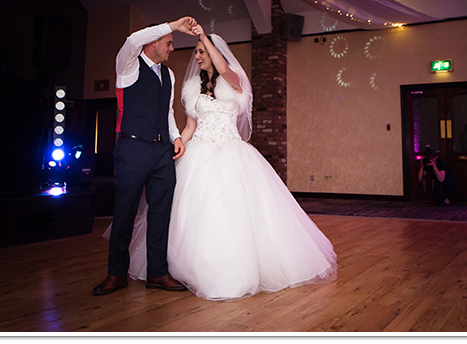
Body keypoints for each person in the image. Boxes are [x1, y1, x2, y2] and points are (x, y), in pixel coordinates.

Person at [121, 24, 337, 301]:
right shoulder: (189, 86)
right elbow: (189, 125)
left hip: (231, 153)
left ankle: (228, 271)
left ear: (214, 52)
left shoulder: (235, 82)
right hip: (199, 151)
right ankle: (181, 269)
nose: (197, 57)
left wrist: (203, 37)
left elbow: (223, 70)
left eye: (201, 52)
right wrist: (180, 143)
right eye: (197, 52)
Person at [93, 18, 197, 296]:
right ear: (153, 41)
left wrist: (175, 136)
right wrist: (173, 25)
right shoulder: (128, 65)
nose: (172, 47)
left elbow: (167, 113)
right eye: (169, 42)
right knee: (124, 212)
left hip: (163, 152)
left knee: (161, 213)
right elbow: (131, 40)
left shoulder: (169, 75)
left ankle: (158, 273)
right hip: (133, 148)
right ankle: (116, 274)